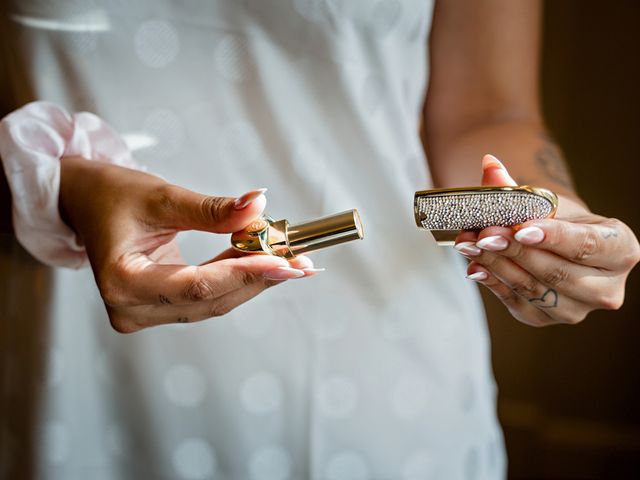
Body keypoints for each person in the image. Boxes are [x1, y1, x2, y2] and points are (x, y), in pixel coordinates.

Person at [1, 1, 638, 479]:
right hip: (83, 370)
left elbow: (489, 112)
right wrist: (53, 189)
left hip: (389, 383)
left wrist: (554, 224)